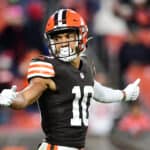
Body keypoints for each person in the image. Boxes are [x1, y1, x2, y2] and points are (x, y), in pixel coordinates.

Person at [0, 8, 140, 150]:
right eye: (58, 38)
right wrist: (13, 99)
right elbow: (26, 97)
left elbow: (99, 92)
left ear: (81, 36)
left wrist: (125, 94)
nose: (63, 42)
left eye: (68, 36)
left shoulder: (85, 66)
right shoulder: (49, 67)